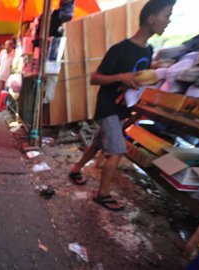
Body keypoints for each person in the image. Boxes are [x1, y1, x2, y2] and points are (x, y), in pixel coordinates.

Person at [68, 0, 175, 212]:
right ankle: (103, 194)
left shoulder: (149, 51)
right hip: (107, 107)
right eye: (166, 15)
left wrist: (155, 73)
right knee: (116, 150)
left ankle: (76, 168)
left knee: (98, 142)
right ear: (151, 19)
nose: (168, 21)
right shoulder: (120, 49)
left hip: (123, 107)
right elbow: (95, 78)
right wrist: (121, 77)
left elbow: (137, 79)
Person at [0, 39, 16, 106]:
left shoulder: (14, 53)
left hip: (8, 76)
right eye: (6, 45)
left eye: (8, 45)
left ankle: (3, 103)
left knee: (6, 90)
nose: (6, 47)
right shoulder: (2, 52)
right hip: (0, 74)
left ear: (12, 46)